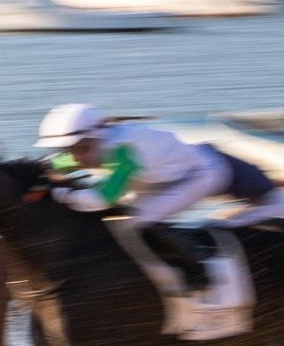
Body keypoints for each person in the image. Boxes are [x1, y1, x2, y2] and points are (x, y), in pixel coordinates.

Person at [35, 103, 284, 292]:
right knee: (123, 220)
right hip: (166, 177)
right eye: (68, 149)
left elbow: (102, 199)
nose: (76, 157)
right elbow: (56, 164)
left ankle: (198, 271)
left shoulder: (123, 150)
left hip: (200, 174)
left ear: (95, 136)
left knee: (133, 222)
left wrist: (61, 193)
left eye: (80, 148)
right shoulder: (92, 142)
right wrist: (41, 175)